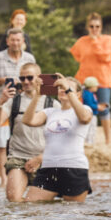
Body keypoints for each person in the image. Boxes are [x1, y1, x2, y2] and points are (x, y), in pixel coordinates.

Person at [20, 74, 94, 202]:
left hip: (74, 168)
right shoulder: (50, 112)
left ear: (78, 94)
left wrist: (68, 89)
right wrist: (37, 95)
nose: (63, 89)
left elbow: (84, 118)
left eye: (68, 87)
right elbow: (27, 121)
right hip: (48, 169)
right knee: (30, 207)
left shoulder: (85, 109)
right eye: (60, 87)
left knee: (72, 214)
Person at [0, 62, 57, 202]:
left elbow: (61, 138)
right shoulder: (13, 101)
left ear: (39, 78)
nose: (26, 82)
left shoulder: (52, 104)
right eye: (22, 78)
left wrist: (40, 158)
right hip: (18, 156)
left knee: (41, 204)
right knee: (13, 200)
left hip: (45, 159)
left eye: (30, 78)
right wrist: (0, 103)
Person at [0, 28, 36, 185]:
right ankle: (3, 179)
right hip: (2, 104)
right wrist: (3, 80)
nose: (15, 43)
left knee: (25, 139)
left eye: (18, 40)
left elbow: (35, 80)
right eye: (12, 40)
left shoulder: (29, 58)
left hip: (24, 105)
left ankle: (26, 174)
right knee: (1, 144)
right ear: (7, 41)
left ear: (23, 42)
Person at [70, 13, 111, 145]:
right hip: (84, 79)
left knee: (104, 108)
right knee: (83, 108)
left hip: (102, 79)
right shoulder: (82, 41)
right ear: (87, 27)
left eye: (97, 26)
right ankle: (82, 139)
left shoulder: (107, 39)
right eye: (92, 26)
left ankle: (108, 140)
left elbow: (105, 57)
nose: (95, 29)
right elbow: (76, 54)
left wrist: (95, 41)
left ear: (101, 27)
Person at [80, 77, 102, 144]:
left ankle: (90, 141)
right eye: (96, 86)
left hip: (93, 114)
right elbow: (88, 104)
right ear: (90, 87)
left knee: (92, 128)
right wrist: (97, 107)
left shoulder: (90, 93)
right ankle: (89, 142)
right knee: (91, 129)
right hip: (91, 115)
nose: (97, 87)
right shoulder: (87, 94)